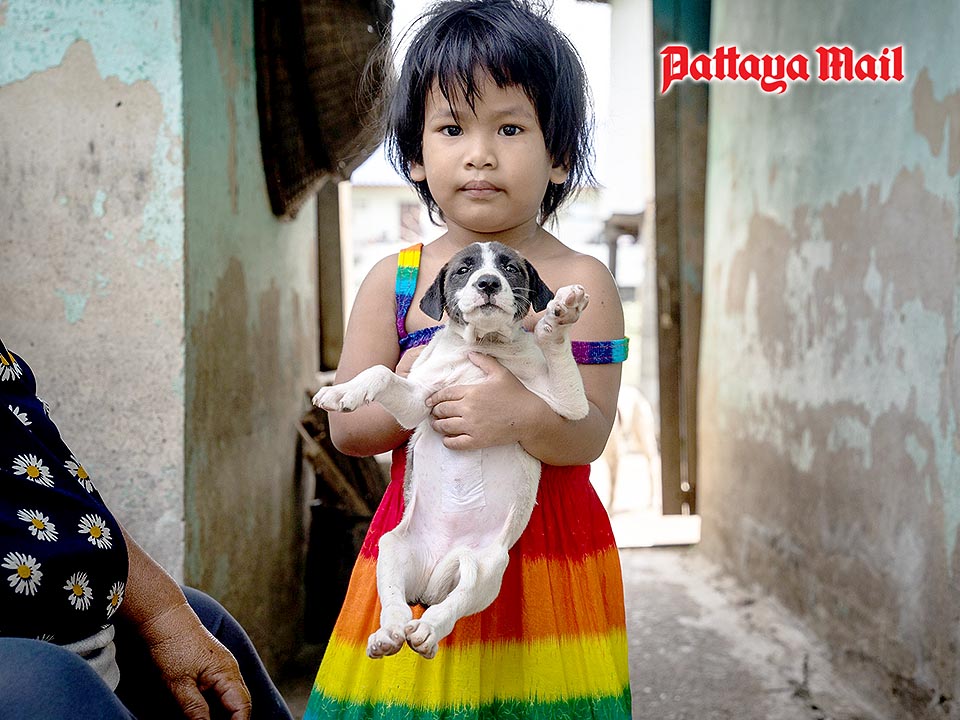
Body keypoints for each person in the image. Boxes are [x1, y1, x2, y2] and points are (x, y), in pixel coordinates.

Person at [303, 1, 632, 718]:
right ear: (417, 156)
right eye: (452, 128)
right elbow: (349, 432)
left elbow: (591, 432)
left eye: (510, 128)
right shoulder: (395, 281)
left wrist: (517, 416)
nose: (479, 154)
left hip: (546, 554)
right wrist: (414, 395)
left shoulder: (581, 284)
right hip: (422, 537)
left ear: (560, 155)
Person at [0, 338, 293, 720]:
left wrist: (164, 614)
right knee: (50, 684)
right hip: (31, 654)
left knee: (207, 622)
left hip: (82, 628)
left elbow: (57, 489)